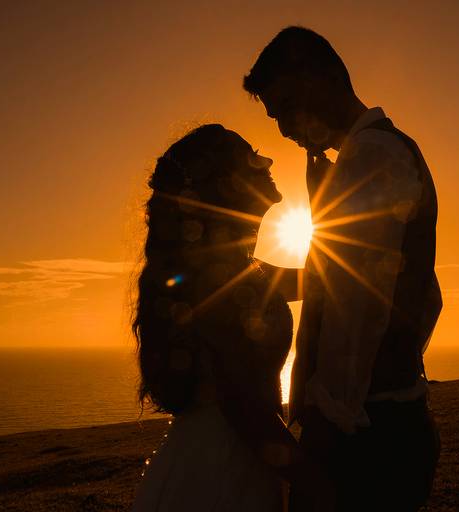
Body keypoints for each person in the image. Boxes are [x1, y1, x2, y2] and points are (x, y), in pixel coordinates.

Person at [244, 27, 443, 511]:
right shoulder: (363, 157)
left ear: (323, 80)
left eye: (287, 106)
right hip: (389, 417)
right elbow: (420, 291)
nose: (284, 129)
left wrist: (328, 425)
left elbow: (356, 310)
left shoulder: (372, 157)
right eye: (275, 115)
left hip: (367, 435)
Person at [131, 124, 333, 511]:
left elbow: (317, 280)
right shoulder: (213, 279)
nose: (267, 163)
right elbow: (243, 406)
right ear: (227, 184)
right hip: (221, 473)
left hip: (217, 457)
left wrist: (327, 195)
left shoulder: (239, 269)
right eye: (252, 159)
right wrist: (316, 484)